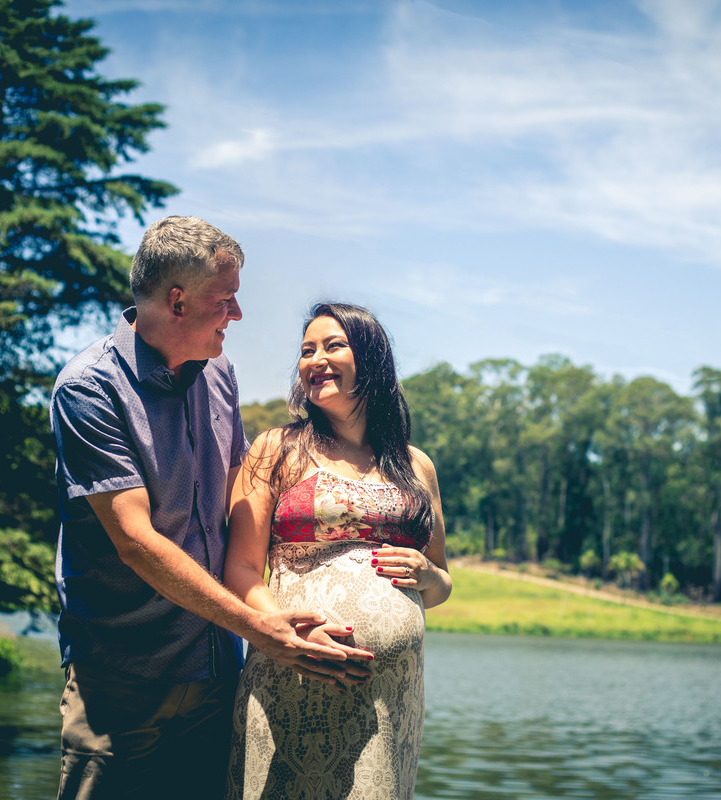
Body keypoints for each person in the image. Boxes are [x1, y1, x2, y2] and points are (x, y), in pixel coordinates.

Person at [50, 217, 373, 800]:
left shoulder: (221, 374)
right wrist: (261, 629)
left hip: (214, 671)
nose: (239, 315)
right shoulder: (88, 387)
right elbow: (135, 541)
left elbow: (243, 500)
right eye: (226, 300)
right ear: (178, 302)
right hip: (121, 680)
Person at [225, 302, 452, 800]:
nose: (315, 360)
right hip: (293, 676)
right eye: (307, 351)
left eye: (332, 346)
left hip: (390, 699)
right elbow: (240, 568)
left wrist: (430, 577)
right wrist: (286, 629)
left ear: (371, 360)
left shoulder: (415, 466)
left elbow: (441, 581)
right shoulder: (276, 449)